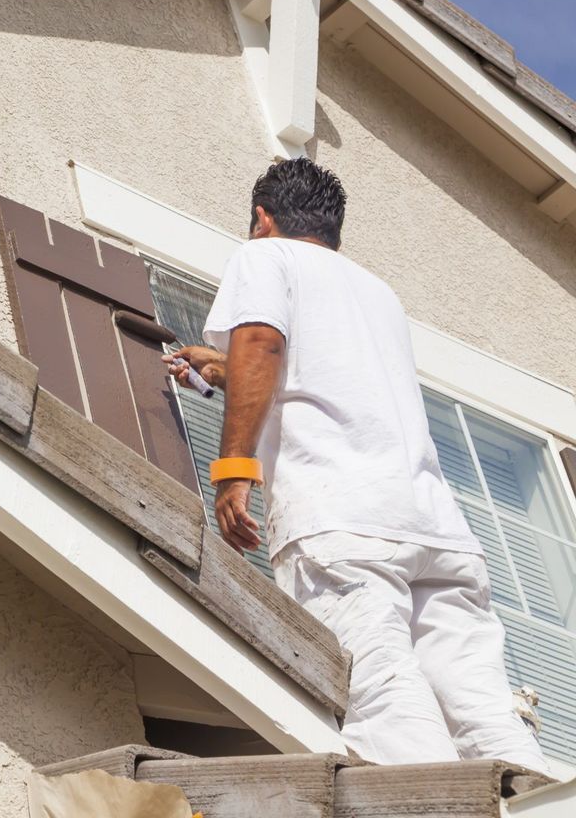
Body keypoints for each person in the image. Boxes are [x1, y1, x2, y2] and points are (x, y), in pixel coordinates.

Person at [164, 157, 546, 770]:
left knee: (387, 701)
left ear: (263, 218)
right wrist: (219, 371)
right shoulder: (376, 292)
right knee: (488, 716)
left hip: (344, 522)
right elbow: (320, 376)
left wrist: (233, 470)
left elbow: (262, 343)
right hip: (436, 532)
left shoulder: (263, 257)